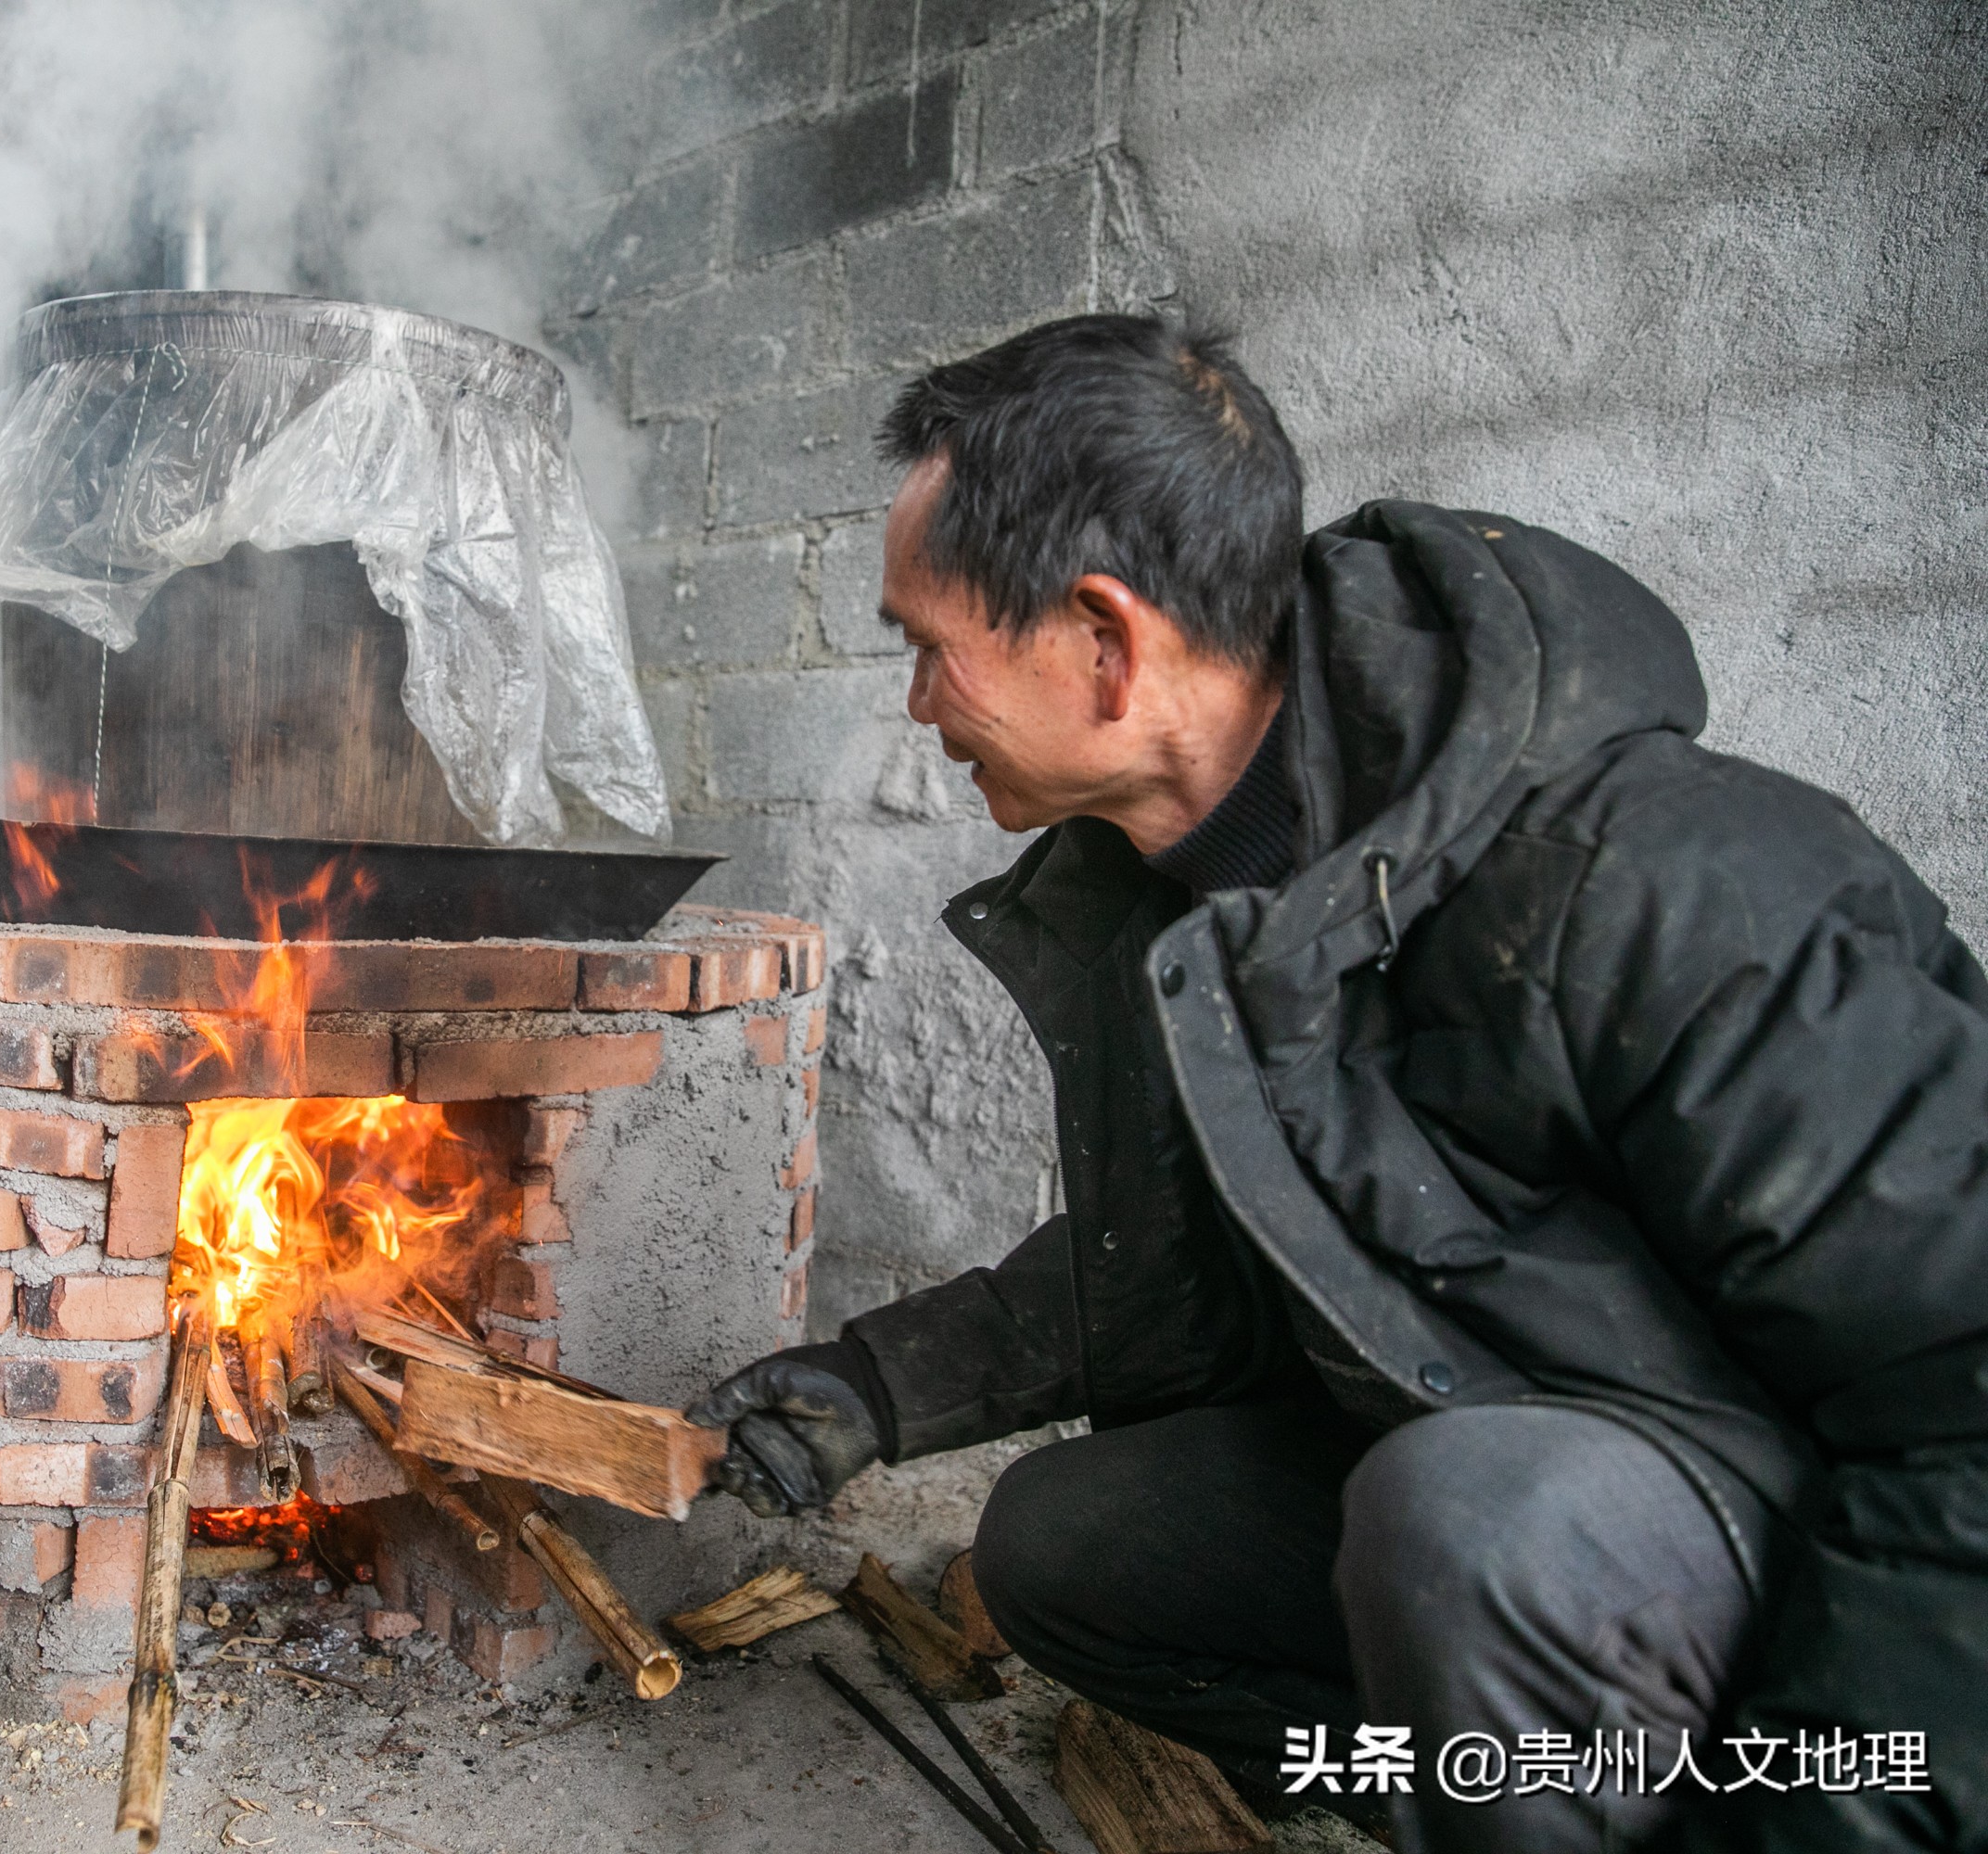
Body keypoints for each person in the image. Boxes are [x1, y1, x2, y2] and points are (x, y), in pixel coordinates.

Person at [685, 314, 1988, 1852]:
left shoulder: (1662, 882)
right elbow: (1196, 1267)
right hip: (1502, 1472)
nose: (916, 707)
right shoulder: (1170, 896)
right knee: (1065, 1546)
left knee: (1476, 1536)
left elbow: (1963, 1410)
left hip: (1793, 1572)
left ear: (1104, 642)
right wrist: (882, 1383)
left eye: (928, 647)